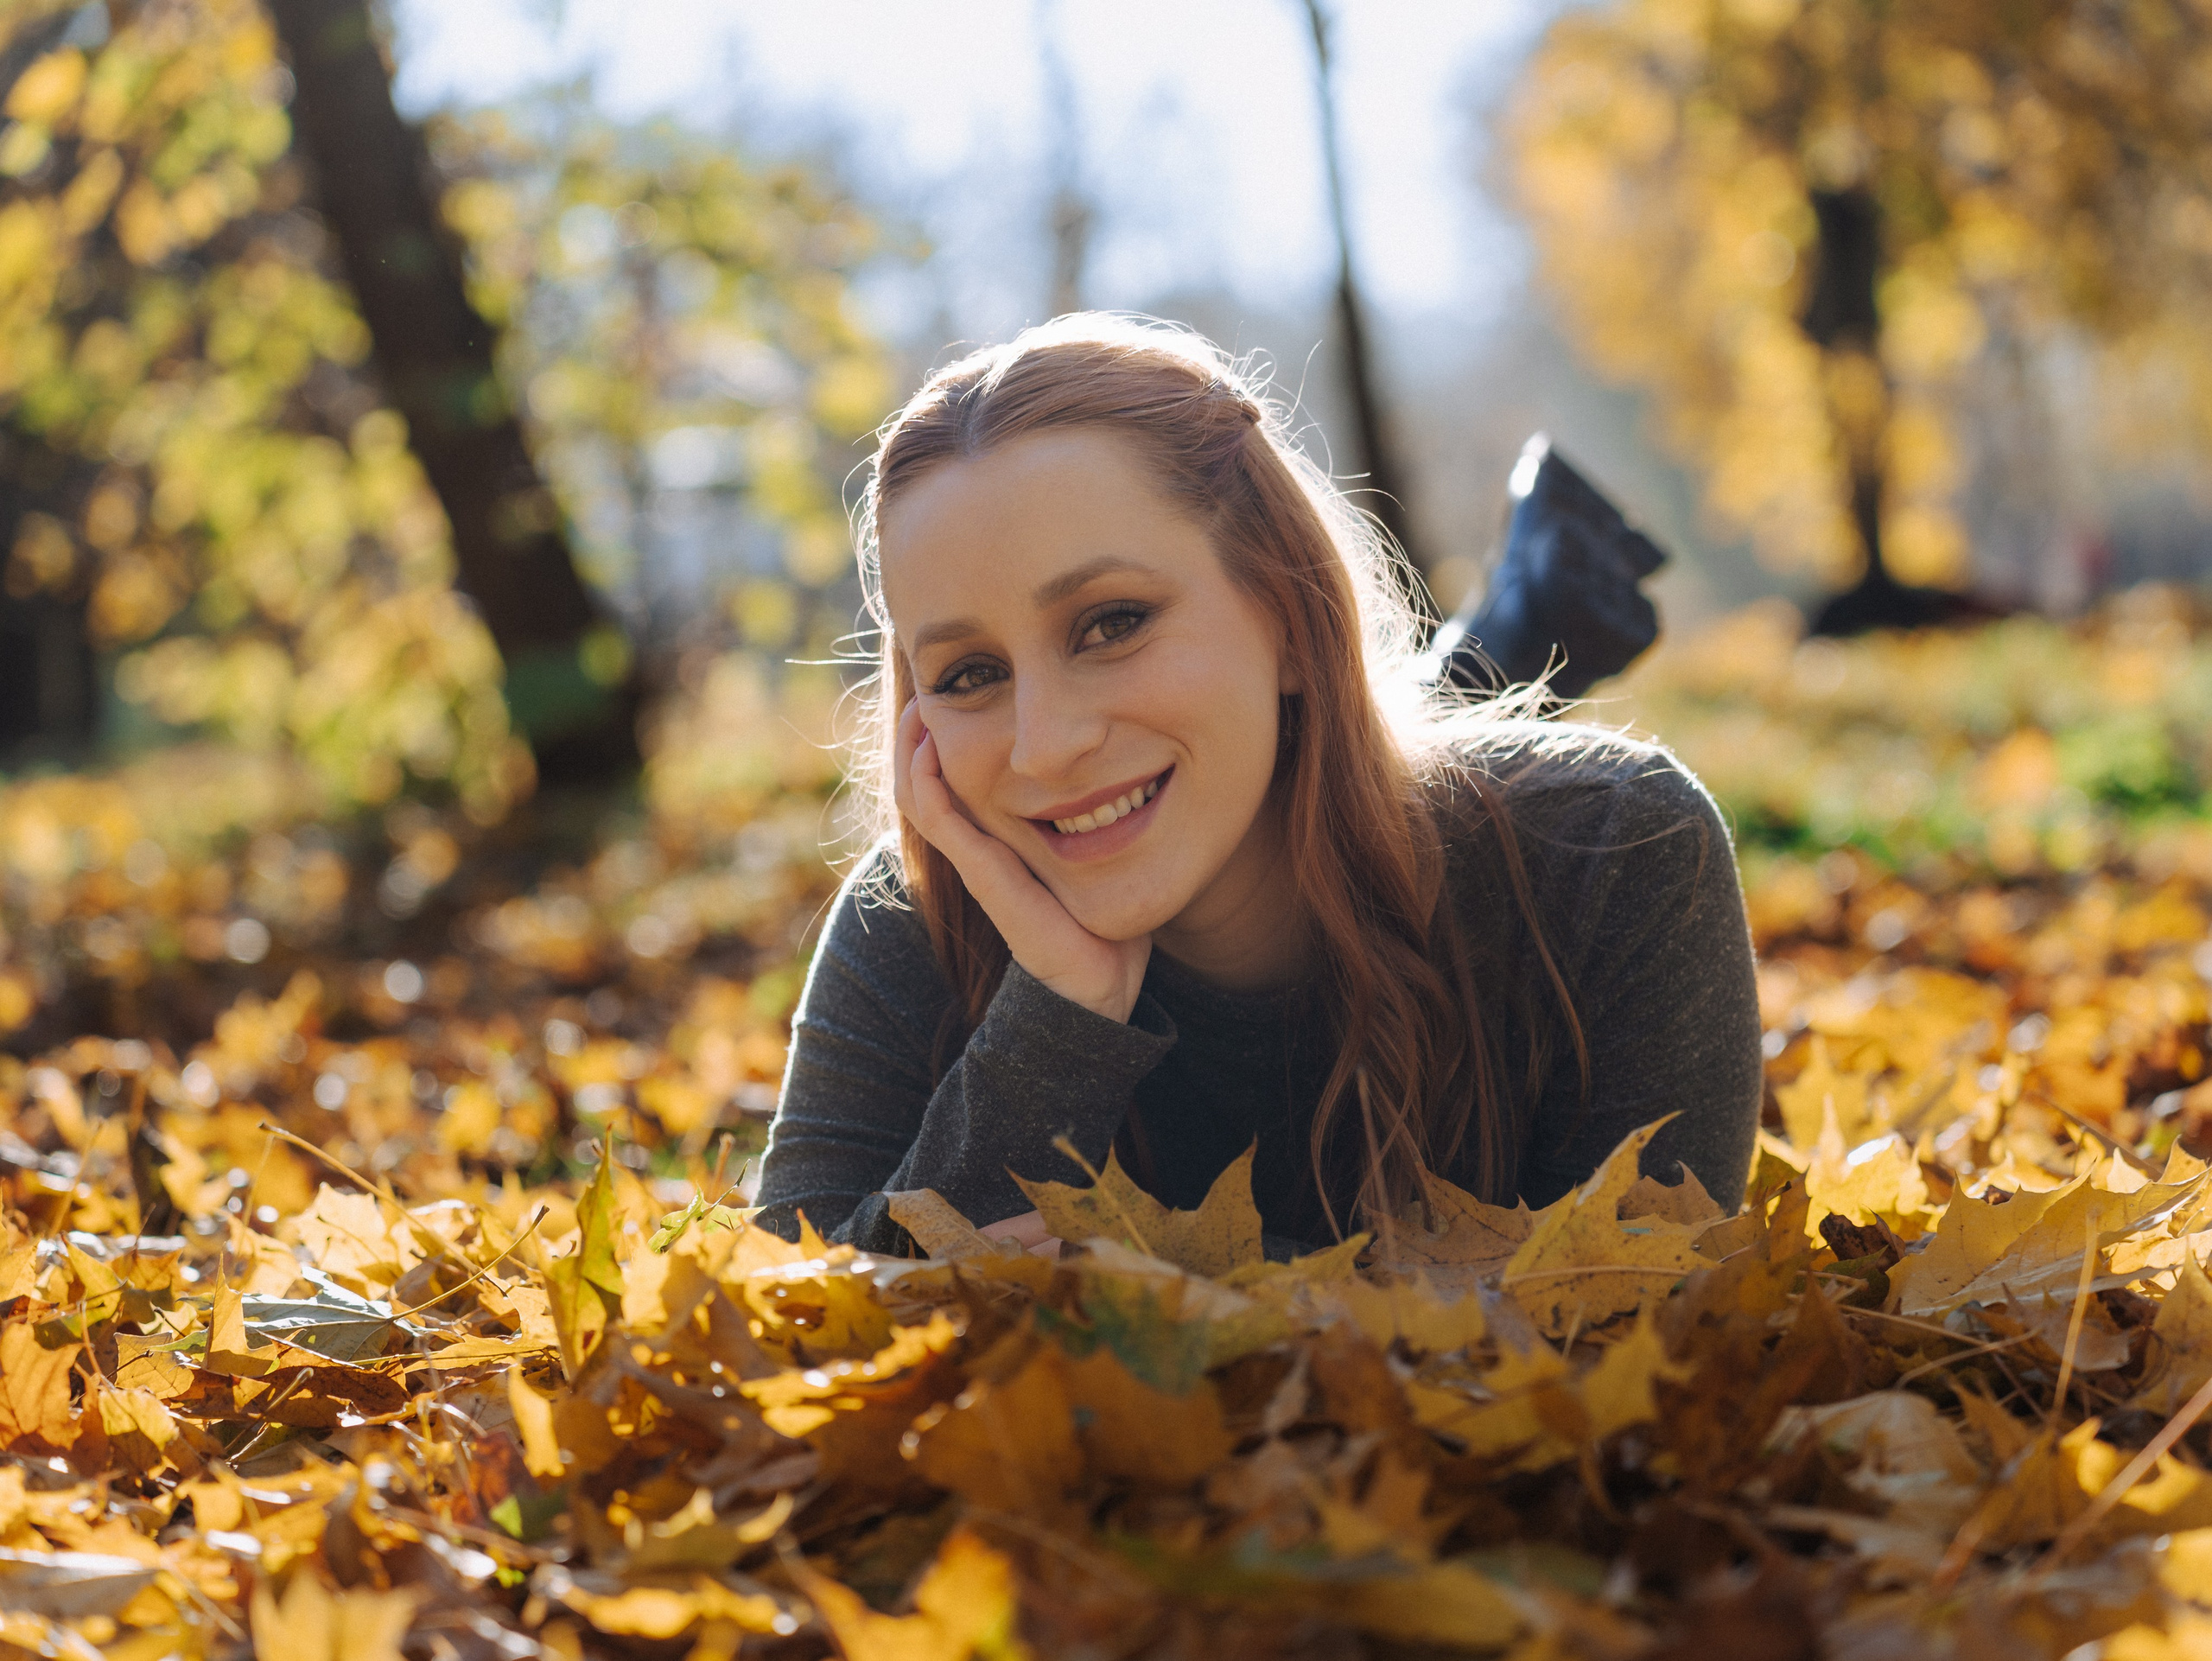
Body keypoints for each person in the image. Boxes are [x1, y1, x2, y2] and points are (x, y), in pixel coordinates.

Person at [754, 315, 1760, 1260]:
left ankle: (1516, 621)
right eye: (970, 674)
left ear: (1288, 604)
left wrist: (1150, 1293)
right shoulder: (919, 912)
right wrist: (1057, 1018)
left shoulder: (1615, 853)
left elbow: (1636, 1330)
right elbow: (784, 1319)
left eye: (1112, 622)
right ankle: (1522, 616)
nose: (1044, 747)